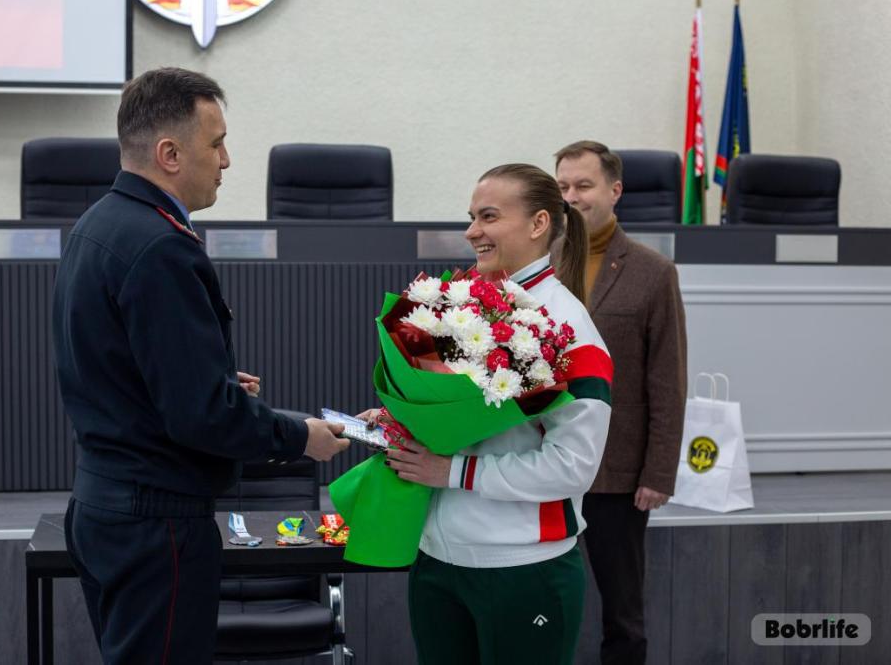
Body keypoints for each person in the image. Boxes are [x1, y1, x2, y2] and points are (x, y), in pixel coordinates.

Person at [51, 67, 349, 664]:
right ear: (169, 154)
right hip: (156, 522)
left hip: (104, 505)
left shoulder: (99, 223)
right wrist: (301, 437)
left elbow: (114, 367)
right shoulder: (160, 246)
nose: (226, 161)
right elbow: (202, 416)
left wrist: (199, 378)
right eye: (216, 144)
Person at [362, 164, 612, 664]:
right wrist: (403, 420)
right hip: (437, 559)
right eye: (472, 217)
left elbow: (574, 467)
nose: (472, 231)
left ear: (539, 223)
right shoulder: (455, 305)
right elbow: (451, 417)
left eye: (489, 217)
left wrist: (453, 471)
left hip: (523, 567)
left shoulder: (570, 329)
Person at [554, 140, 687, 665]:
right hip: (544, 463)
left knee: (623, 613)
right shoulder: (541, 264)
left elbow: (667, 380)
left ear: (615, 190)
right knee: (546, 603)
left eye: (583, 185)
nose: (572, 196)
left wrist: (659, 472)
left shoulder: (654, 272)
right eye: (563, 186)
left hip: (618, 474)